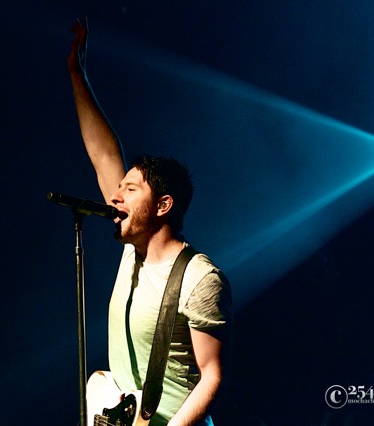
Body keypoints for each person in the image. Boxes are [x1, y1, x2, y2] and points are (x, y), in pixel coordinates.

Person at [68, 18, 233, 426]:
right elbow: (104, 155)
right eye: (119, 188)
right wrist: (77, 74)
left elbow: (212, 375)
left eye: (130, 189)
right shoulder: (132, 254)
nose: (115, 197)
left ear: (162, 205)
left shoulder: (200, 278)